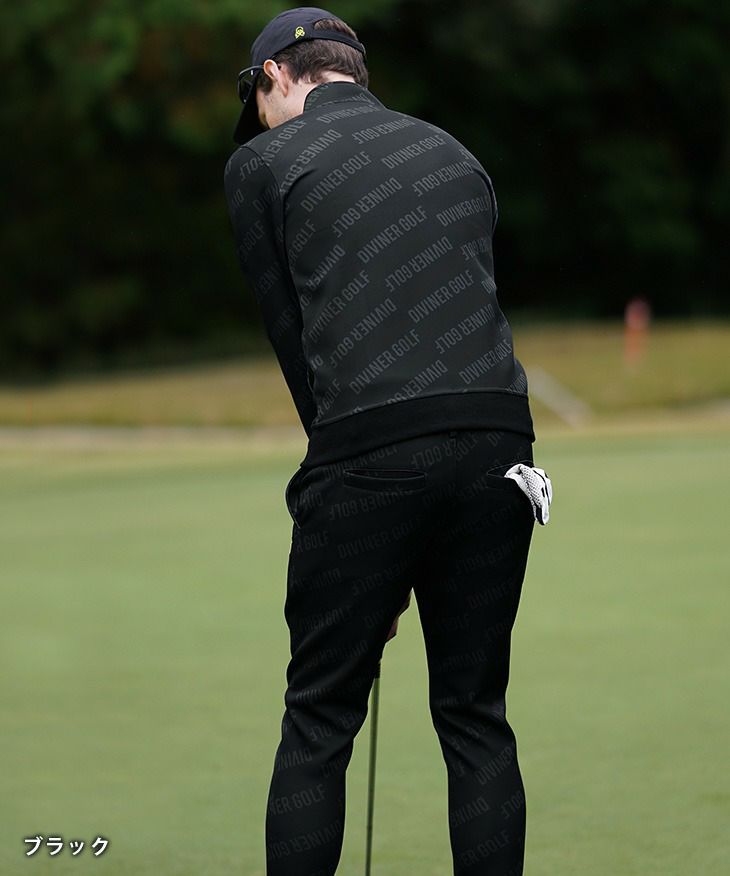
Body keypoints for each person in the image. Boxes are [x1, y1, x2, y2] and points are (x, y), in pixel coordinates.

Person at [224, 8, 545, 874]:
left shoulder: (260, 165)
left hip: (370, 450)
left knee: (320, 717)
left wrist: (359, 526)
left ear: (275, 76)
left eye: (258, 100)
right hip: (502, 445)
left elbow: (296, 346)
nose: (262, 120)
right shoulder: (455, 152)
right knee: (475, 716)